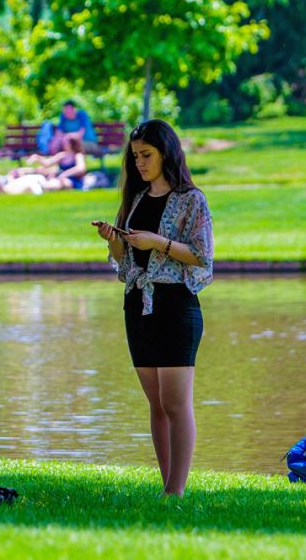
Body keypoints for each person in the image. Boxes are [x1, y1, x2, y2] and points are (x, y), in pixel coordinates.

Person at [93, 119, 213, 496]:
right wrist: (114, 240)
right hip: (137, 305)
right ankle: (166, 486)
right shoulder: (137, 198)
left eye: (146, 156)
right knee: (156, 404)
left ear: (166, 153)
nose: (140, 164)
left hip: (176, 305)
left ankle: (176, 491)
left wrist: (156, 242)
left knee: (176, 403)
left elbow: (201, 256)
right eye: (135, 157)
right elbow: (124, 262)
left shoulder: (191, 200)